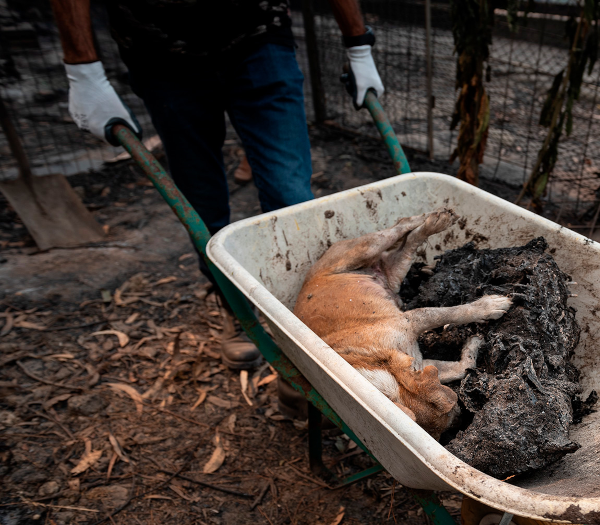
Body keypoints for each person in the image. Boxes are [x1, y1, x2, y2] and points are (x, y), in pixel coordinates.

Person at [50, 0, 384, 371]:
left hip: (259, 32)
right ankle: (237, 311)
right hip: (159, 49)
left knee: (290, 196)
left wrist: (358, 43)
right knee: (202, 202)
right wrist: (83, 69)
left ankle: (301, 323)